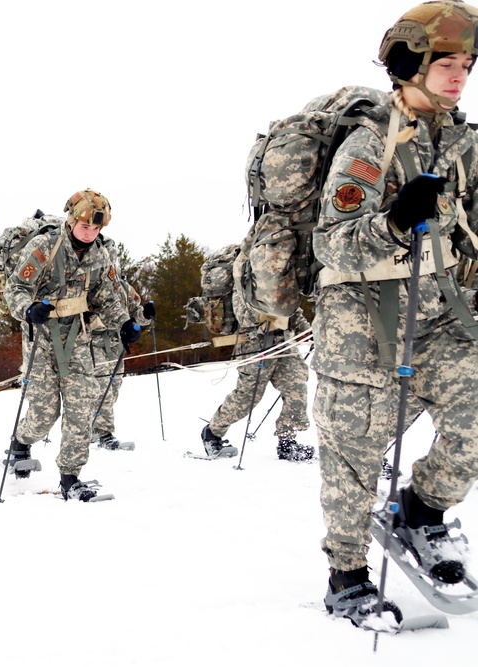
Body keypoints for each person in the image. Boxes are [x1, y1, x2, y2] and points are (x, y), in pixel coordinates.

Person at [311, 1, 478, 627]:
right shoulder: (368, 143)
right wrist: (395, 221)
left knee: (475, 415)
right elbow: (331, 244)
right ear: (411, 64)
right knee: (353, 456)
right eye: (445, 63)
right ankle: (348, 574)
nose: (459, 75)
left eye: (466, 64)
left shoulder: (463, 142)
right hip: (363, 328)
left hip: (440, 318)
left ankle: (423, 509)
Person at [3, 189, 136, 500]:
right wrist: (27, 309)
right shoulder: (45, 245)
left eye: (96, 229)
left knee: (82, 405)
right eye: (85, 226)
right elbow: (17, 287)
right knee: (45, 412)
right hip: (43, 336)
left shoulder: (100, 254)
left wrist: (125, 322)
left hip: (77, 335)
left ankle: (70, 477)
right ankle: (20, 442)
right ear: (72, 219)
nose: (90, 234)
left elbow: (104, 295)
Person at [199, 312, 313, 461]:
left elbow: (294, 312)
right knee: (248, 397)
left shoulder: (286, 288)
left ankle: (287, 442)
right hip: (254, 345)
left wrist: (310, 333)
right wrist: (264, 320)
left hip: (284, 345)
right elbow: (242, 314)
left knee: (297, 389)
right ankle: (213, 432)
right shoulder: (245, 288)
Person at [89, 238, 154, 450]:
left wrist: (146, 315)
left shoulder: (123, 286)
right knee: (101, 389)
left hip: (117, 345)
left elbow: (134, 311)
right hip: (95, 342)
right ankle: (103, 432)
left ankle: (92, 426)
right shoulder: (89, 284)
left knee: (113, 387)